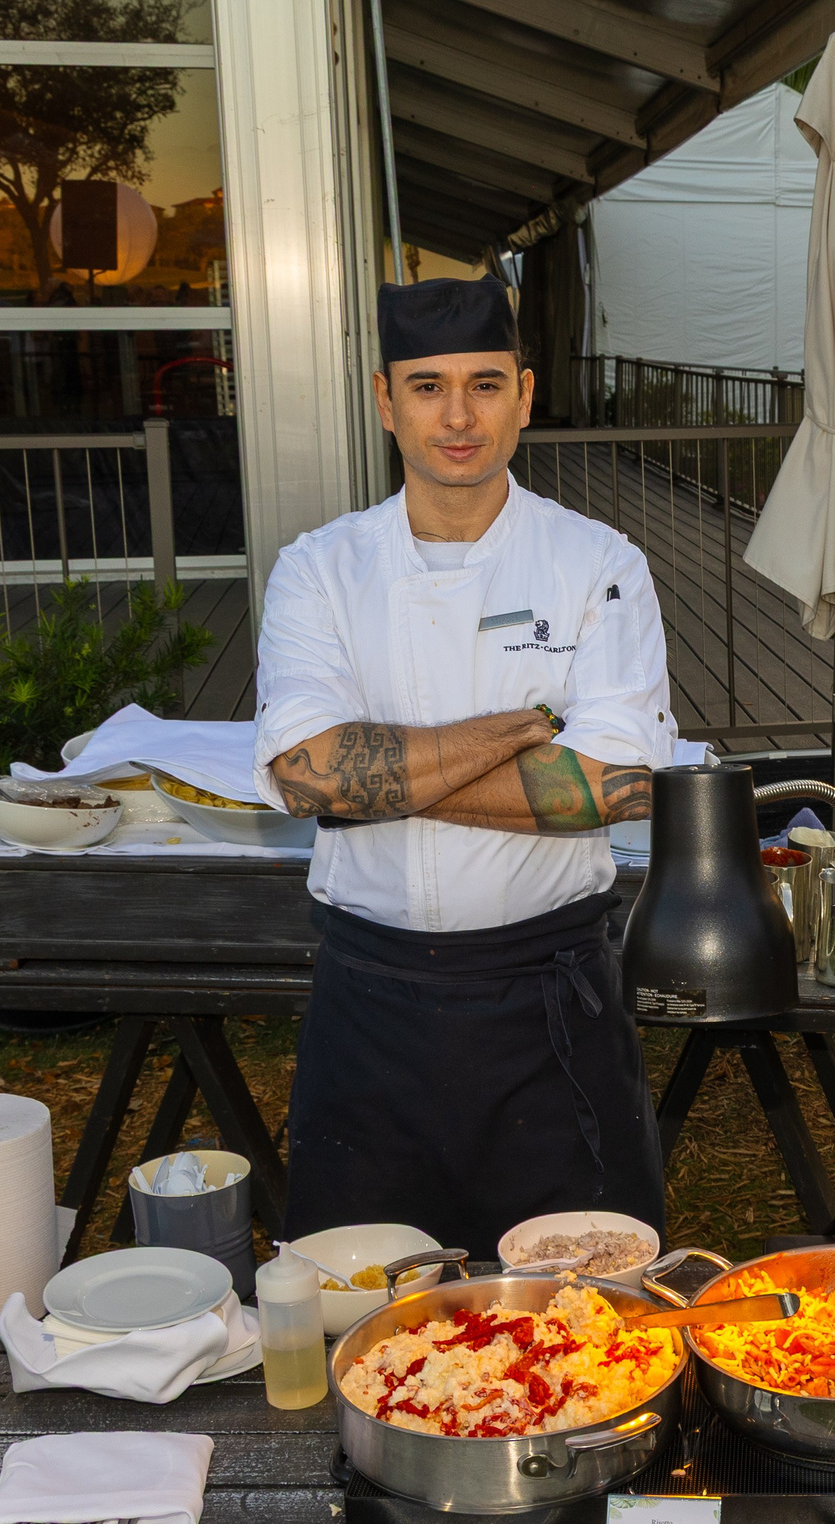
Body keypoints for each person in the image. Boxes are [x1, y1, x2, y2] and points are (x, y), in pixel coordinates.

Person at [251, 276, 678, 1252]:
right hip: (371, 1012)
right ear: (384, 399)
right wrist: (522, 727)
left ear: (524, 395)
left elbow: (613, 787)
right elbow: (312, 778)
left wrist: (386, 785)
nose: (456, 415)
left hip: (552, 1009)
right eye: (427, 385)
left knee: (583, 1321)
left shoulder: (599, 564)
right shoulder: (319, 570)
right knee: (360, 1324)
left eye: (484, 384)